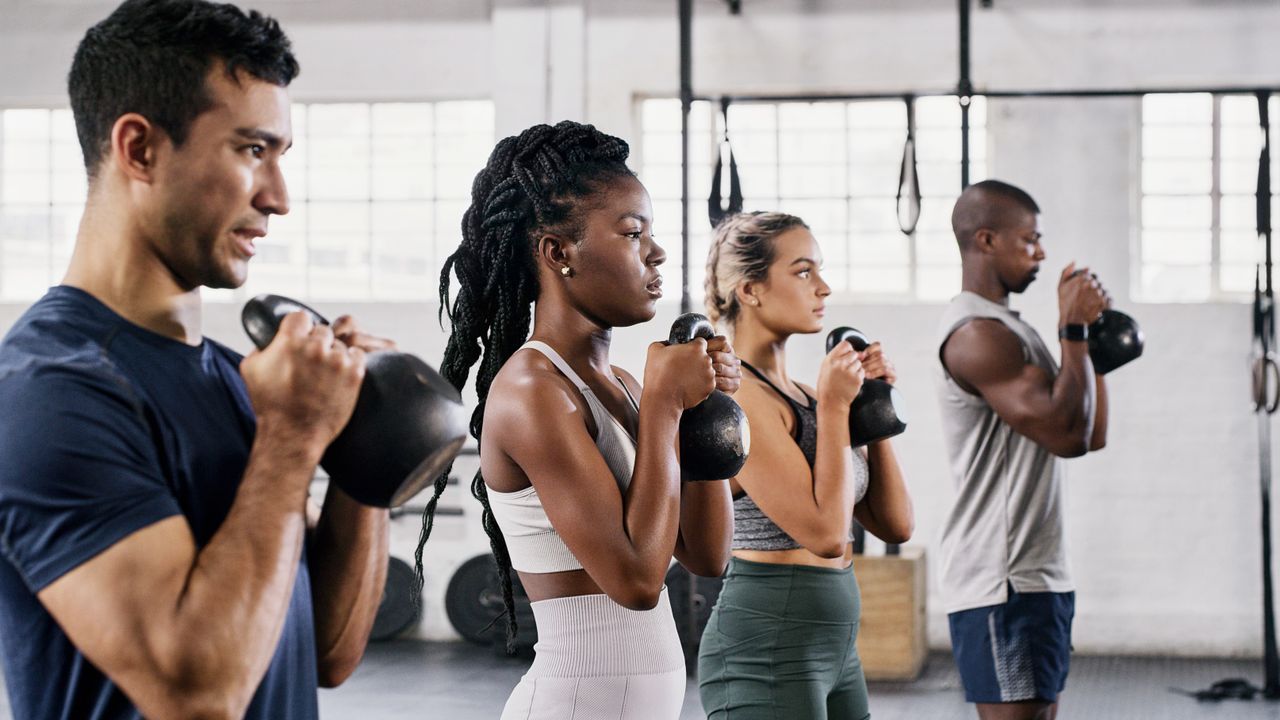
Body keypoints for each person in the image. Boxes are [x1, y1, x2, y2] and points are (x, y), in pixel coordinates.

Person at [0, 1, 391, 718]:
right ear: (140, 149)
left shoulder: (244, 380)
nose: (278, 198)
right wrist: (295, 435)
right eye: (251, 150)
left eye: (281, 157)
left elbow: (328, 652)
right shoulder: (50, 387)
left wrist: (372, 454)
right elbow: (197, 694)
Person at [413, 120, 737, 719]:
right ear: (559, 253)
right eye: (633, 232)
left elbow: (707, 555)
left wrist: (704, 413)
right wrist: (666, 407)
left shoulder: (624, 386)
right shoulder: (534, 392)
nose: (657, 252)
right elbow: (637, 582)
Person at [697, 211, 914, 720]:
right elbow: (823, 532)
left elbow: (895, 524)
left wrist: (873, 412)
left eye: (820, 270)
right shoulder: (740, 401)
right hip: (765, 647)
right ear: (750, 290)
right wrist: (838, 410)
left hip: (837, 651)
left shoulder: (811, 397)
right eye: (803, 271)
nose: (824, 287)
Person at [937, 179, 1111, 720]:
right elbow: (1066, 431)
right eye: (1030, 239)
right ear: (986, 240)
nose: (1041, 252)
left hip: (1037, 573)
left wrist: (1093, 348)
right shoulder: (977, 336)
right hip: (1003, 578)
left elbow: (1089, 434)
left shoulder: (1014, 329)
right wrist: (1073, 328)